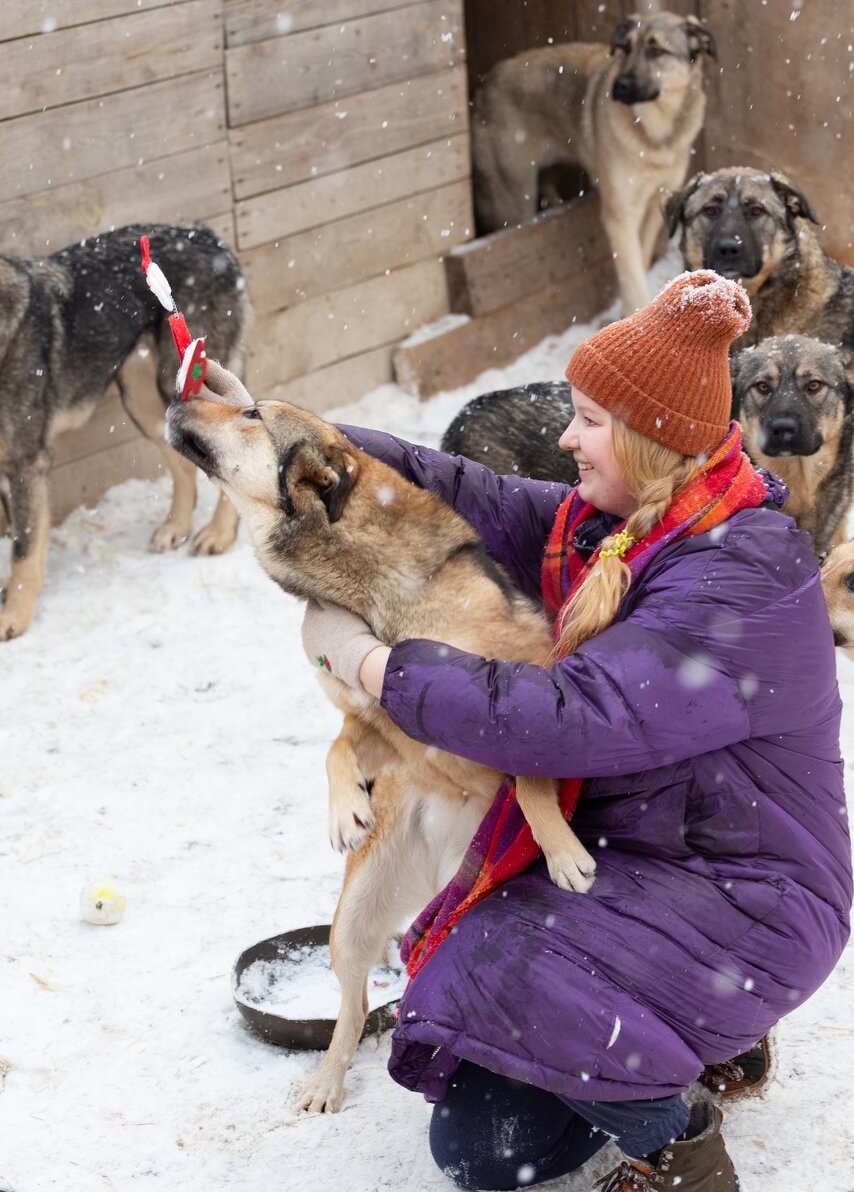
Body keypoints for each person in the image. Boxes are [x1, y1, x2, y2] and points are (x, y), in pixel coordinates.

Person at [298, 270, 852, 1191]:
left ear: (649, 436)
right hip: (639, 862)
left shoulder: (735, 576)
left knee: (499, 961)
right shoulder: (622, 527)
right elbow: (462, 490)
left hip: (750, 898)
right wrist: (301, 438)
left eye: (588, 418)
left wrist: (372, 668)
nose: (564, 437)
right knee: (479, 1148)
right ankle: (692, 1039)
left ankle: (683, 1151)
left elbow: (566, 720)